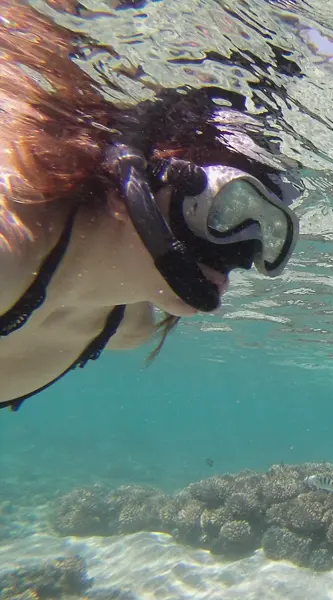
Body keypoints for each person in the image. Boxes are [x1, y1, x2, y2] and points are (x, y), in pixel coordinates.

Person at [0, 2, 300, 411]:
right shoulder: (12, 248)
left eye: (271, 231)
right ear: (138, 177)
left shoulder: (130, 326)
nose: (246, 253)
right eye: (227, 208)